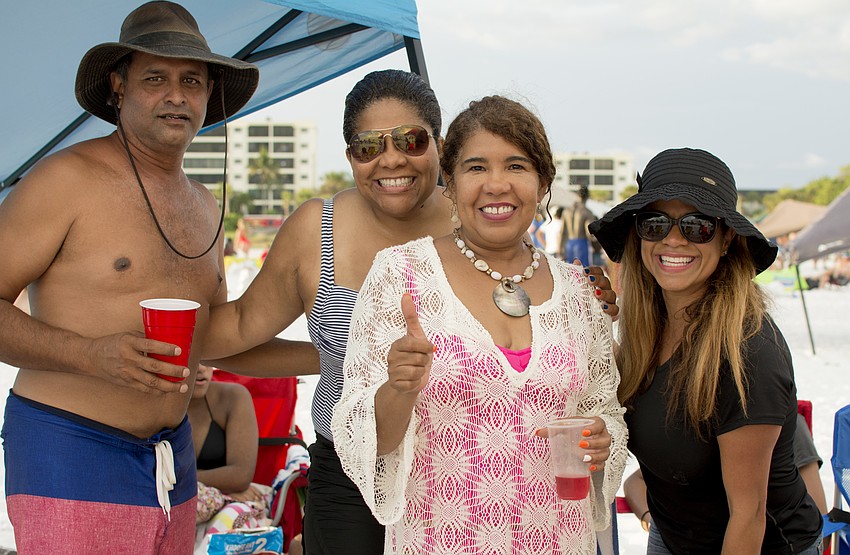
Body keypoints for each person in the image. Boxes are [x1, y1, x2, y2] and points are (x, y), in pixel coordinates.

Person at [202, 71, 620, 554]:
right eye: (367, 147)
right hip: (350, 473)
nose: (391, 158)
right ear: (350, 157)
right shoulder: (319, 230)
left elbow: (557, 340)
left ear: (442, 149)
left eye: (410, 139)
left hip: (476, 485)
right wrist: (342, 358)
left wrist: (587, 297)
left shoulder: (482, 211)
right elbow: (236, 331)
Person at [0, 3, 313, 552]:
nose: (176, 95)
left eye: (191, 81)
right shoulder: (66, 179)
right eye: (155, 79)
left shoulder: (204, 205)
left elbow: (216, 341)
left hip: (174, 459)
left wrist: (340, 353)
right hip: (70, 445)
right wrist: (89, 354)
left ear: (209, 93)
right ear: (119, 88)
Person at [330, 95, 627, 554]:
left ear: (542, 181)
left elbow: (603, 416)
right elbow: (369, 443)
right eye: (475, 168)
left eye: (516, 166)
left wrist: (602, 439)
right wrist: (399, 387)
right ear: (448, 181)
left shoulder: (581, 293)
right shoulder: (400, 275)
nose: (496, 185)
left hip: (560, 540)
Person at [589, 147, 824, 554]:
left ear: (727, 237)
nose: (673, 239)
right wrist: (588, 317)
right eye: (655, 223)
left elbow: (748, 515)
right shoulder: (650, 329)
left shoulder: (748, 351)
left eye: (697, 226)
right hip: (672, 533)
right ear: (638, 233)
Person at [623, 412, 829, 533]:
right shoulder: (701, 420)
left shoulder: (785, 424)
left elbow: (820, 519)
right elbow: (636, 481)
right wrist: (649, 519)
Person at [561, 184, 597, 266]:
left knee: (569, 272)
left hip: (569, 244)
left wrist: (560, 249)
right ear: (587, 197)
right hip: (581, 243)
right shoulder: (586, 211)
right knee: (583, 272)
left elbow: (562, 232)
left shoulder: (566, 211)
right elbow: (589, 232)